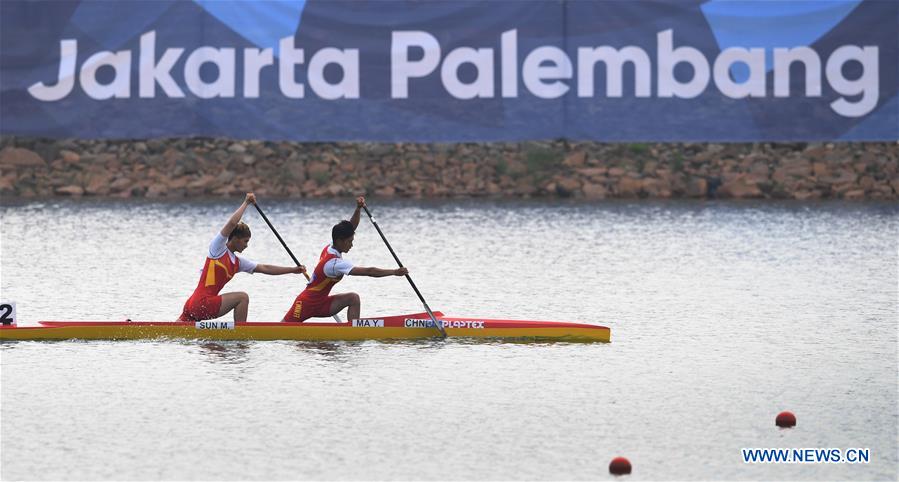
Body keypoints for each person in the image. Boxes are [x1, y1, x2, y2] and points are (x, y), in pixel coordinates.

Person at [179, 193, 306, 322]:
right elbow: (232, 223)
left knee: (172, 333)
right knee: (242, 298)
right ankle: (242, 335)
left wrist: (292, 269)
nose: (246, 245)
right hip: (202, 304)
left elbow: (265, 268)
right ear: (234, 239)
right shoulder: (217, 249)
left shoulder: (238, 263)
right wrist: (246, 203)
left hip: (191, 304)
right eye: (245, 241)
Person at [283, 196, 407, 323]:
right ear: (339, 240)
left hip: (322, 304)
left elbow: (350, 227)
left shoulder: (330, 247)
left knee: (353, 298)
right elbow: (369, 271)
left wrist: (358, 209)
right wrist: (394, 272)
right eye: (349, 242)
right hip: (305, 304)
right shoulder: (335, 263)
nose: (351, 245)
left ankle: (353, 334)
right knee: (282, 329)